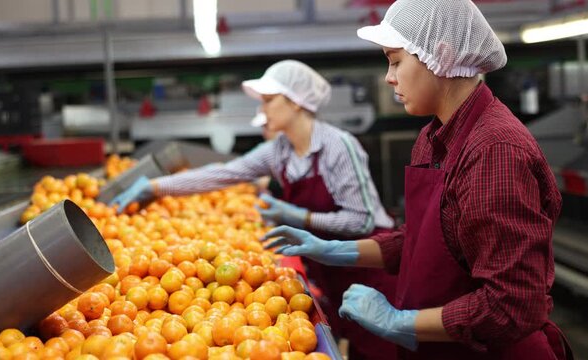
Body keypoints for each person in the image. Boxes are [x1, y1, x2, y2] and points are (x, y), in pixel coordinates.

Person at [262, 1, 573, 359]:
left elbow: (511, 304)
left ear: (439, 55)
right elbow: (422, 237)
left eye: (395, 61)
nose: (388, 77)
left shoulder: (494, 150)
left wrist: (399, 321)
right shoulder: (433, 137)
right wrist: (334, 250)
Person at [111, 59, 397, 358]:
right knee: (349, 338)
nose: (262, 111)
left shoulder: (338, 146)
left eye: (269, 101)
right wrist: (156, 187)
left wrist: (298, 216)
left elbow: (361, 221)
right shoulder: (280, 151)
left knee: (380, 348)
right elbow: (221, 174)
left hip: (368, 265)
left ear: (296, 102)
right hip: (326, 267)